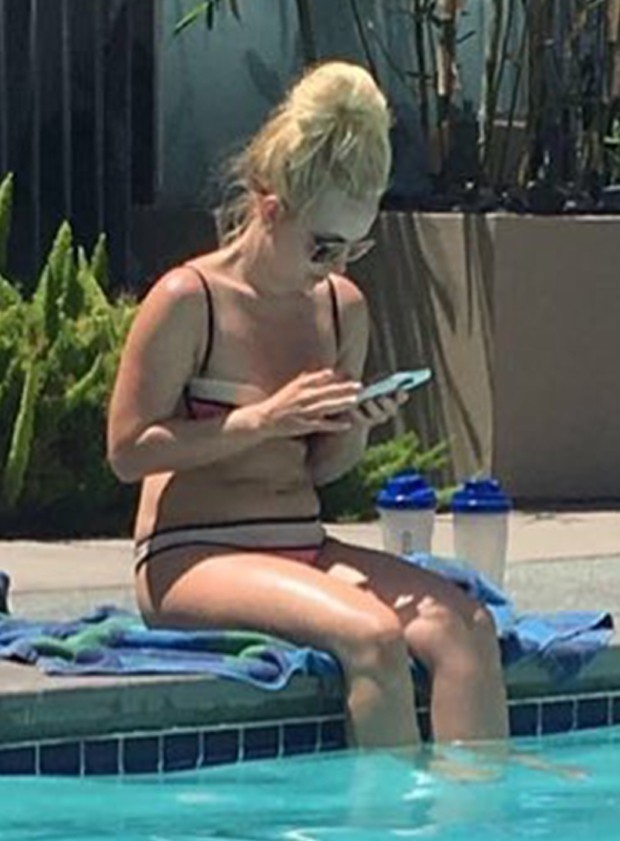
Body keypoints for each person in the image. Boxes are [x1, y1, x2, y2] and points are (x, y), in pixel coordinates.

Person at [107, 60, 508, 751]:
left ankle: (474, 807)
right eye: (323, 246)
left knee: (466, 626)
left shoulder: (339, 308)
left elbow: (322, 470)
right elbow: (126, 451)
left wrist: (349, 428)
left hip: (300, 541)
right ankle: (385, 810)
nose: (337, 266)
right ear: (271, 209)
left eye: (355, 247)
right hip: (193, 554)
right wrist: (262, 419)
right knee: (371, 635)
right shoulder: (190, 300)